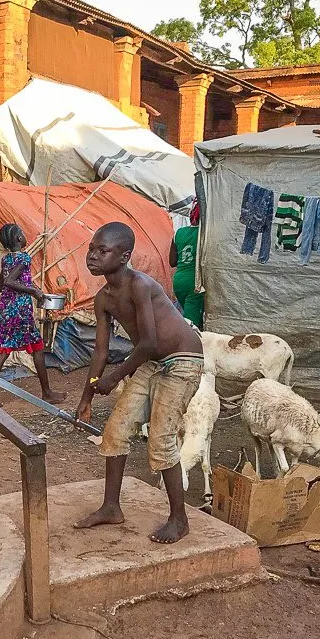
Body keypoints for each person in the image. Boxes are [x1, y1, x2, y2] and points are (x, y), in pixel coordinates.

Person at [75, 222, 204, 544]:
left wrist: (114, 379)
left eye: (102, 251)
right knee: (115, 432)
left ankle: (179, 519)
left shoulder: (140, 285)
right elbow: (101, 352)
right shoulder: (103, 298)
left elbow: (147, 342)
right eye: (91, 249)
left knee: (161, 440)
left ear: (124, 256)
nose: (92, 256)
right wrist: (87, 396)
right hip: (152, 361)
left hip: (183, 360)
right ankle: (110, 507)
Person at [0, 223, 65, 405]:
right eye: (22, 232)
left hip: (5, 310)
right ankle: (46, 393)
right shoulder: (24, 258)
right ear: (19, 239)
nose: (24, 234)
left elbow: (2, 286)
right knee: (37, 347)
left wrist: (32, 287)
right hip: (20, 312)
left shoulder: (6, 260)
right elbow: (9, 281)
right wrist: (33, 292)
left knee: (3, 351)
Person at [170, 203, 204, 328]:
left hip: (179, 281)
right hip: (195, 283)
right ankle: (187, 347)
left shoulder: (179, 232)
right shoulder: (205, 235)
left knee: (191, 317)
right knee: (191, 326)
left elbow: (172, 262)